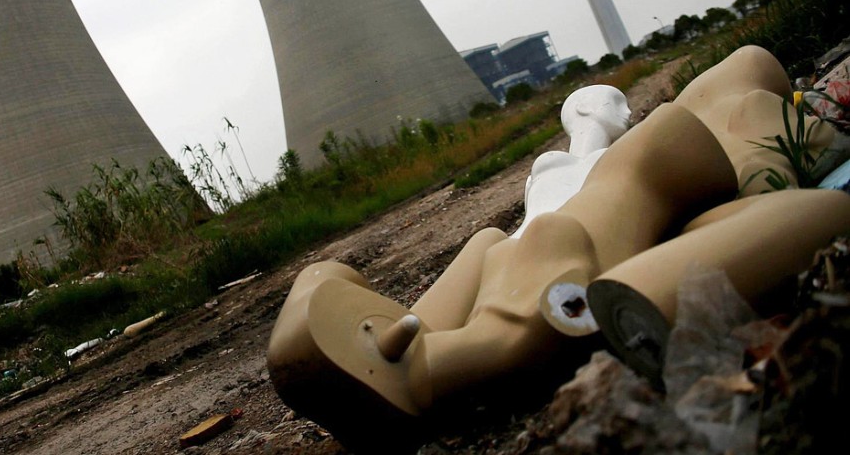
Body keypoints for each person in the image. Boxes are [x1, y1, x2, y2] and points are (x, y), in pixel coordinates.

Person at [265, 46, 848, 450]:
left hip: (571, 244)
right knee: (726, 95)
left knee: (533, 234)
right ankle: (455, 351)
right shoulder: (726, 110)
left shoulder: (522, 236)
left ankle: (451, 355)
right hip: (584, 241)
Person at [518, 84, 631, 235]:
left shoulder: (620, 158)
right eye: (617, 103)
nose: (628, 112)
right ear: (584, 107)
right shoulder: (542, 172)